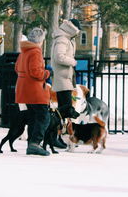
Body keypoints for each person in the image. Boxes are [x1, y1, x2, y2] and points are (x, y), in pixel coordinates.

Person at [15, 27, 51, 156]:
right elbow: (36, 72)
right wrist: (47, 73)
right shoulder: (36, 51)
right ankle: (35, 143)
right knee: (44, 117)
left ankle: (31, 143)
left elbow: (17, 68)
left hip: (24, 89)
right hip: (35, 90)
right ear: (40, 40)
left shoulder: (23, 51)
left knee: (33, 118)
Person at [50, 18, 82, 147]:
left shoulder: (65, 38)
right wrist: (73, 62)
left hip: (65, 78)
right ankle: (55, 137)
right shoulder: (62, 39)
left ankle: (58, 137)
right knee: (64, 111)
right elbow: (59, 57)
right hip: (62, 79)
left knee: (64, 111)